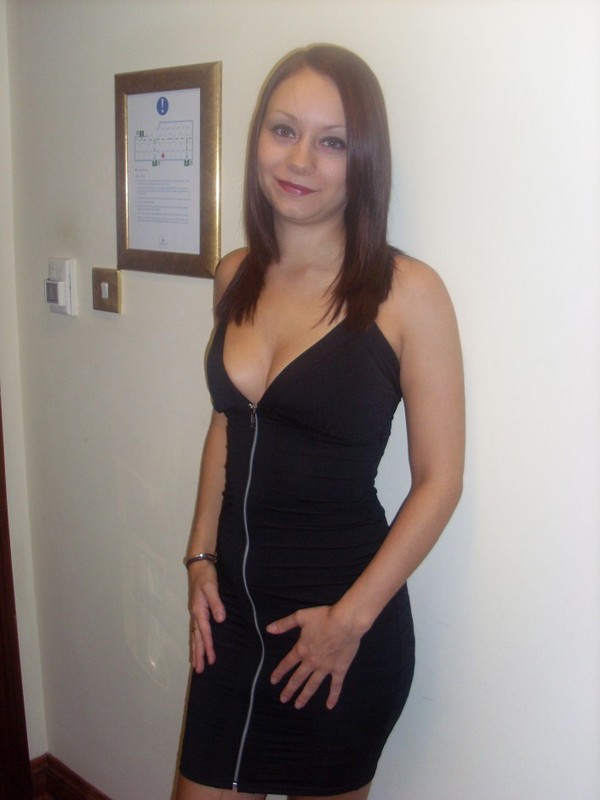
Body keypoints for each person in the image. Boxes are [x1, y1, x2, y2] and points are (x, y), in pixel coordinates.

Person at [175, 44, 464, 800]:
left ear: (363, 160)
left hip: (336, 629)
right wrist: (200, 555)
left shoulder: (408, 294)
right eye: (283, 130)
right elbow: (227, 423)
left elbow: (439, 483)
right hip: (231, 624)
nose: (299, 159)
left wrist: (349, 622)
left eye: (332, 141)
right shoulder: (235, 274)